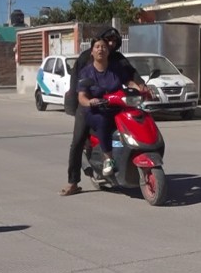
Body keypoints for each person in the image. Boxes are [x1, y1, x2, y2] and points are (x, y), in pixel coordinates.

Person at [60, 27, 145, 196]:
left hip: (112, 104)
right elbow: (77, 85)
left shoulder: (117, 59)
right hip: (88, 106)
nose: (110, 44)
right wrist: (82, 102)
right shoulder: (86, 58)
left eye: (114, 42)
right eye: (107, 41)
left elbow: (130, 75)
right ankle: (73, 182)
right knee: (77, 142)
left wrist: (141, 86)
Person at [77, 37, 145, 178]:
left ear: (108, 51)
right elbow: (82, 96)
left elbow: (129, 82)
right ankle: (108, 158)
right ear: (92, 51)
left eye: (103, 47)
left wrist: (141, 88)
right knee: (103, 121)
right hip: (96, 110)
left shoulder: (115, 69)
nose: (100, 49)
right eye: (97, 47)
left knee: (137, 116)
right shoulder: (86, 72)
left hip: (117, 107)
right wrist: (90, 102)